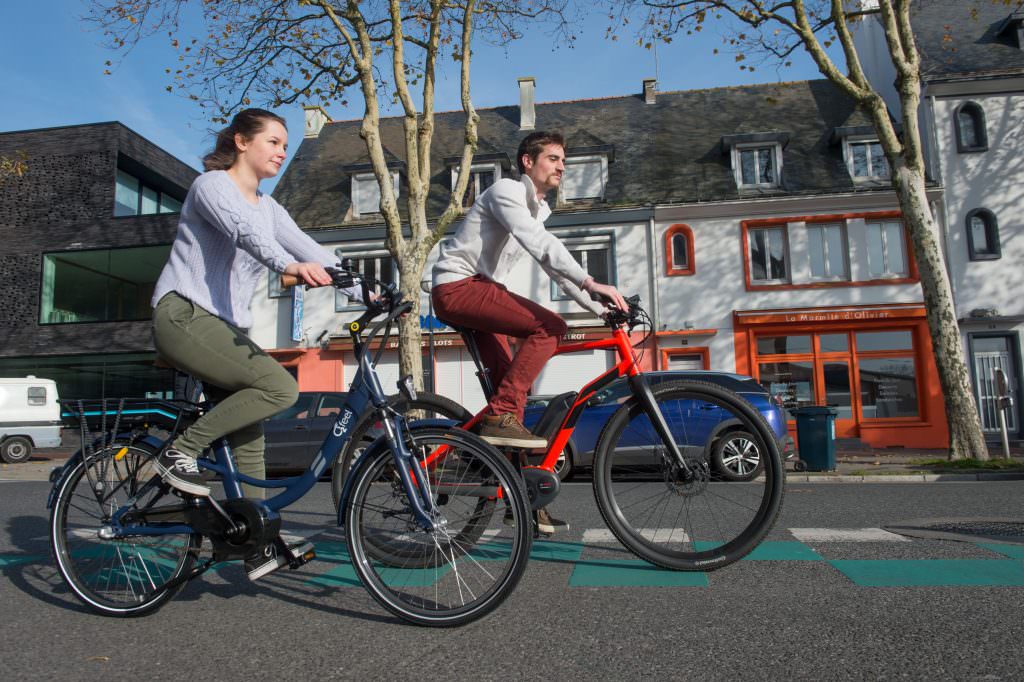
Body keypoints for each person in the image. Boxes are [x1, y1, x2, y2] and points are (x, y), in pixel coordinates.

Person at [150, 108, 359, 580]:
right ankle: (178, 452)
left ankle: (255, 541)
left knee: (250, 438)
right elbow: (244, 235)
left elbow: (313, 249)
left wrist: (371, 290)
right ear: (242, 142)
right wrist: (291, 267)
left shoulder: (270, 207)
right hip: (183, 313)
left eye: (286, 145)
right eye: (273, 142)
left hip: (223, 329)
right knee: (280, 390)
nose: (282, 152)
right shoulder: (213, 186)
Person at [430, 131, 627, 534]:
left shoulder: (540, 211)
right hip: (458, 286)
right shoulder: (505, 191)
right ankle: (500, 417)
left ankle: (521, 500)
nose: (561, 167)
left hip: (482, 290)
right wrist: (593, 282)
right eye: (553, 158)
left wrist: (599, 307)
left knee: (511, 393)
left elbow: (552, 266)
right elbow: (539, 245)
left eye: (563, 161)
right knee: (549, 328)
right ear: (527, 162)